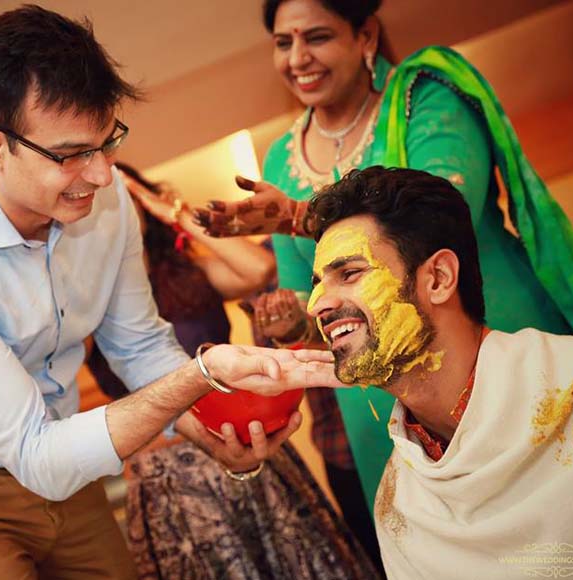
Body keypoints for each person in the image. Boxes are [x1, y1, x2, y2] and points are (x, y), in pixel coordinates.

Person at [0, 7, 340, 579]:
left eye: (108, 142)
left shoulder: (107, 199)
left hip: (53, 450)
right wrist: (198, 380)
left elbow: (137, 344)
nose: (104, 175)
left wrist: (206, 430)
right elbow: (36, 454)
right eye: (71, 154)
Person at [194, 0, 573, 520]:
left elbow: (444, 212)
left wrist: (298, 216)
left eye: (318, 37)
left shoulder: (426, 97)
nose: (297, 58)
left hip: (486, 340)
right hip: (376, 390)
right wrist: (290, 326)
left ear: (366, 35)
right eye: (284, 43)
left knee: (569, 507)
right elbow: (311, 307)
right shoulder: (282, 156)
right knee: (439, 537)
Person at [303, 166, 573, 580]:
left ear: (438, 278)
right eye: (317, 283)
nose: (315, 306)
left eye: (349, 274)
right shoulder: (398, 504)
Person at [87, 165, 378, 579]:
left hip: (245, 440)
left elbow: (257, 270)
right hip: (167, 471)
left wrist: (174, 213)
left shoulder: (189, 273)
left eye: (117, 195)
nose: (107, 208)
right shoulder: (88, 300)